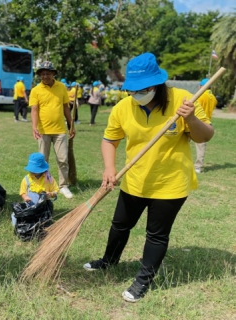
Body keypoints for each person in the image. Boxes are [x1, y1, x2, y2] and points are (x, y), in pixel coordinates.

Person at [83, 52, 214, 303]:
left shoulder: (183, 100)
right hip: (134, 180)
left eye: (143, 89)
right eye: (133, 90)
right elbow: (110, 139)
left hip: (170, 183)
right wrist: (109, 168)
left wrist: (191, 118)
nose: (137, 94)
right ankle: (109, 261)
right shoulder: (124, 106)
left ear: (157, 84)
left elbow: (204, 136)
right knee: (120, 225)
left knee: (156, 234)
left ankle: (143, 280)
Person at [29, 61, 75, 199]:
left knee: (63, 159)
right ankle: (45, 184)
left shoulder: (61, 87)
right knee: (43, 160)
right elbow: (34, 110)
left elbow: (66, 107)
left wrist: (71, 125)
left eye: (48, 73)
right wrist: (34, 127)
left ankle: (63, 186)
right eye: (42, 74)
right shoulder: (36, 90)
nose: (45, 76)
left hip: (60, 130)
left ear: (53, 73)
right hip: (43, 131)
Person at [194, 78, 217, 173]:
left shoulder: (200, 96)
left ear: (202, 86)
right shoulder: (214, 98)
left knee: (183, 141)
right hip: (206, 123)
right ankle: (198, 167)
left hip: (195, 121)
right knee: (201, 145)